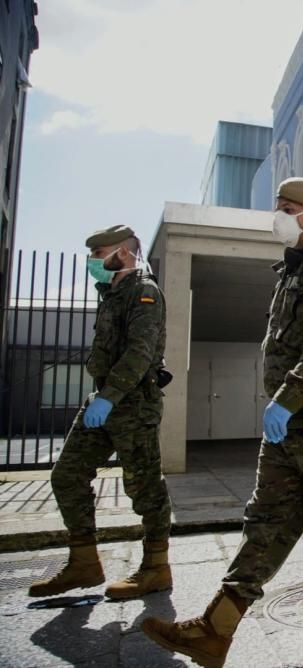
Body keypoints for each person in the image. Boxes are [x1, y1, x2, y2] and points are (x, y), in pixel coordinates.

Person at [141, 178, 303, 667]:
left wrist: (286, 398)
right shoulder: (292, 269)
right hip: (293, 426)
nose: (276, 216)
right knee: (265, 520)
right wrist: (285, 407)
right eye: (277, 207)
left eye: (285, 208)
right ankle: (215, 629)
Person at [28, 226, 173, 601]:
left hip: (133, 404)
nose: (93, 261)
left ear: (123, 254)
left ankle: (156, 568)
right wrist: (102, 398)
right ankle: (84, 563)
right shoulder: (111, 293)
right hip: (103, 400)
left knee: (145, 487)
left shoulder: (144, 291)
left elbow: (140, 352)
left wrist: (109, 398)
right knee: (67, 475)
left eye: (100, 253)